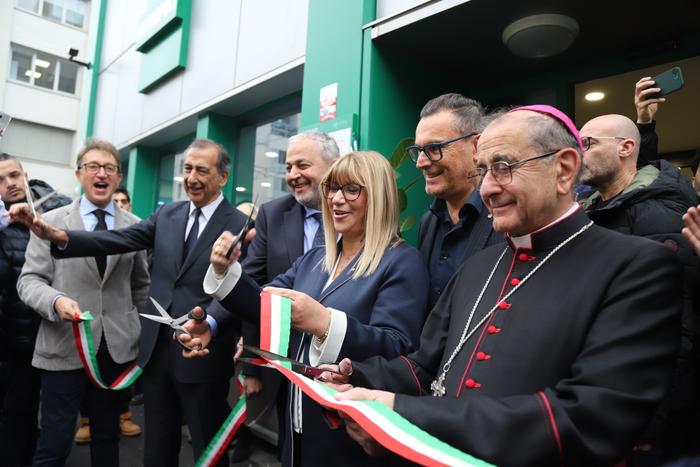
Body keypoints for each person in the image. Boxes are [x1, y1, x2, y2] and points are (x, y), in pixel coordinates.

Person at [322, 106, 682, 466]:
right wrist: (355, 375)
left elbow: (589, 418)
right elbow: (426, 366)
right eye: (483, 171)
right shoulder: (478, 266)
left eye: (504, 167)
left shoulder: (637, 267)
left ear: (564, 169)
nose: (488, 188)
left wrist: (405, 414)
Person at [9, 139, 248, 466]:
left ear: (222, 177)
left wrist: (212, 321)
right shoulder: (168, 214)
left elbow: (246, 286)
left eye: (202, 171)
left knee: (208, 449)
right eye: (187, 169)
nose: (191, 178)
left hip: (202, 355)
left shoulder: (241, 226)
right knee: (155, 449)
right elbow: (118, 241)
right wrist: (59, 237)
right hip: (152, 356)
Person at [183, 150, 430, 467]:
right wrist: (224, 271)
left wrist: (325, 323)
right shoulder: (315, 258)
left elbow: (397, 348)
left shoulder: (401, 262)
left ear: (379, 196)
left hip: (351, 434)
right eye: (332, 189)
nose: (336, 199)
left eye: (351, 189)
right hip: (296, 421)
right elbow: (263, 303)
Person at [15, 139, 150, 467]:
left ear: (119, 178)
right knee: (54, 443)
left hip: (116, 351)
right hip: (63, 347)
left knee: (107, 439)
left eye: (109, 168)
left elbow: (141, 287)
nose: (101, 173)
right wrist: (56, 301)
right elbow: (29, 281)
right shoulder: (49, 222)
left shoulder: (135, 226)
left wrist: (139, 334)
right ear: (79, 174)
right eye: (93, 167)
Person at [578, 114, 698, 463]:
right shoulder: (589, 212)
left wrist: (649, 423)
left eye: (588, 144)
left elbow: (677, 326)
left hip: (642, 422)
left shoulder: (659, 215)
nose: (578, 153)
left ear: (626, 148)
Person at [240, 129, 339, 459]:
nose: (293, 175)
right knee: (291, 448)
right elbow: (254, 286)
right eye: (288, 167)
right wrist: (213, 316)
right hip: (285, 362)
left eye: (303, 165)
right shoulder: (272, 213)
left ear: (333, 165)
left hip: (342, 367)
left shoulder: (360, 215)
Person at [0, 153, 70, 467]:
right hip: (19, 339)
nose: (9, 183)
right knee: (18, 413)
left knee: (58, 418)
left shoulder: (60, 209)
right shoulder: (2, 224)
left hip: (61, 333)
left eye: (14, 175)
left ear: (25, 175)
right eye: (0, 180)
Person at [408, 93, 503, 307]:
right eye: (419, 151)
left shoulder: (505, 217)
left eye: (434, 148)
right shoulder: (428, 223)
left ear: (476, 146)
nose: (421, 162)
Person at [74, 186, 142, 444]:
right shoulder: (73, 223)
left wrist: (139, 324)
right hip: (81, 326)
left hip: (119, 328)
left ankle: (122, 416)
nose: (120, 204)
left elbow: (141, 282)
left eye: (125, 201)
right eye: (117, 200)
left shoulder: (137, 228)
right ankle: (86, 420)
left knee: (116, 389)